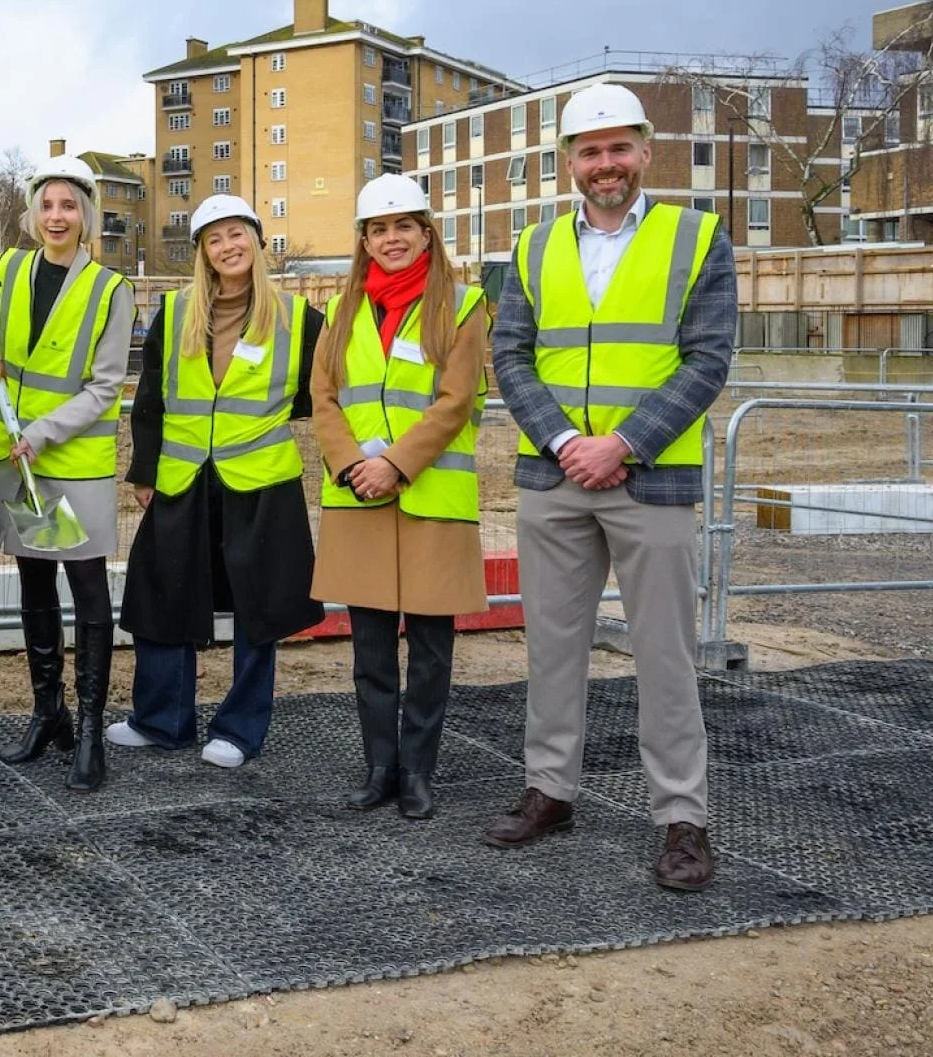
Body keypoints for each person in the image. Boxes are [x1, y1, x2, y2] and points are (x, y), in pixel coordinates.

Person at [485, 82, 734, 892]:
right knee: (552, 646)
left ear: (645, 152)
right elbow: (510, 355)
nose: (606, 164)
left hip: (650, 478)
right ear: (568, 162)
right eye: (590, 151)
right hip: (553, 474)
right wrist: (566, 443)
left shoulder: (697, 237)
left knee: (665, 653)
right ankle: (550, 790)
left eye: (619, 147)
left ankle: (682, 817)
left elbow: (708, 358)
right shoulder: (531, 247)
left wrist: (624, 444)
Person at [115, 195, 324, 768]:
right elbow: (150, 397)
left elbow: (318, 395)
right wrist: (144, 470)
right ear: (202, 252)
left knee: (259, 607)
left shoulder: (300, 318)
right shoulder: (176, 312)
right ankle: (162, 720)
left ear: (256, 240)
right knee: (164, 597)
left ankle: (239, 730)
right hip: (182, 479)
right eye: (215, 239)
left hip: (260, 484)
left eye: (237, 235)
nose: (228, 247)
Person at [312, 173, 490, 823]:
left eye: (404, 227)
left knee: (431, 653)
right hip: (358, 495)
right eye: (379, 229)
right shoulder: (340, 313)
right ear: (364, 241)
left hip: (431, 498)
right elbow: (324, 398)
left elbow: (455, 401)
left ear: (426, 234)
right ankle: (379, 768)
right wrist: (352, 464)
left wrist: (394, 464)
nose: (392, 239)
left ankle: (417, 771)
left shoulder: (463, 307)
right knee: (371, 651)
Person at [0, 155, 134, 792]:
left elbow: (105, 387)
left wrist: (39, 433)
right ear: (32, 213)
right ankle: (50, 714)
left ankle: (91, 727)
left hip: (71, 462)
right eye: (46, 205)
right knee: (35, 585)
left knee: (89, 594)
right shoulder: (9, 268)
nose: (56, 216)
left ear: (86, 215)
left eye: (69, 205)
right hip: (20, 460)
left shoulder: (109, 289)